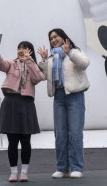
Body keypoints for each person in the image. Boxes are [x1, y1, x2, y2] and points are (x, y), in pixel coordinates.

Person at [38, 29, 90, 179]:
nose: (53, 40)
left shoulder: (74, 51)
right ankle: (62, 168)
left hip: (75, 96)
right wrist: (43, 60)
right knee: (60, 134)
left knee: (75, 133)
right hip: (59, 97)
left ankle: (76, 167)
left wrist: (69, 53)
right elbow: (45, 76)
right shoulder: (52, 58)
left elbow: (84, 64)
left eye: (56, 36)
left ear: (63, 37)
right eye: (51, 38)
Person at [0, 40, 46, 183]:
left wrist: (29, 61)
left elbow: (38, 77)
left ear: (30, 51)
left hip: (26, 103)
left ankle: (24, 172)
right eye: (19, 48)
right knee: (12, 141)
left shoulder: (32, 65)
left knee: (26, 141)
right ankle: (13, 172)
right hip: (10, 102)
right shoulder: (11, 63)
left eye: (24, 48)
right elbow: (0, 64)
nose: (21, 50)